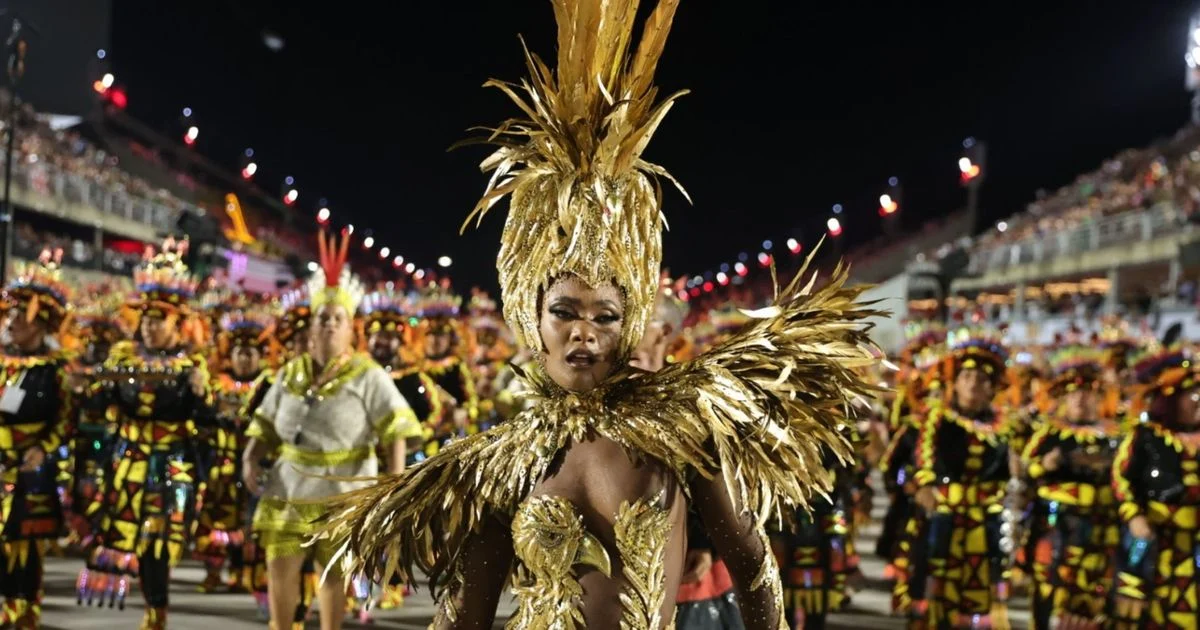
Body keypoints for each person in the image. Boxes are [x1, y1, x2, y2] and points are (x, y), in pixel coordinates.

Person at [315, 1, 881, 625]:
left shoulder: (683, 431)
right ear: (533, 317)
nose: (583, 329)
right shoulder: (504, 461)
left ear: (627, 326)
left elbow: (753, 566)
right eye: (565, 310)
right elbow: (466, 615)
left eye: (605, 316)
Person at [242, 230, 420, 630]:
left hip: (345, 489)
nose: (328, 324)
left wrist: (389, 485)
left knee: (333, 574)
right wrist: (250, 457)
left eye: (337, 319)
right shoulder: (291, 372)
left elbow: (395, 429)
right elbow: (266, 422)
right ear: (311, 325)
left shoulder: (368, 374)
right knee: (280, 563)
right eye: (322, 317)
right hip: (289, 486)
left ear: (349, 329)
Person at [77, 237, 214, 630]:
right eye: (146, 319)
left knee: (159, 540)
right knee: (119, 528)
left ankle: (157, 610)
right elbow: (100, 406)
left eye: (159, 320)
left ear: (178, 323)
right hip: (128, 459)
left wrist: (202, 394)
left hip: (172, 462)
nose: (150, 327)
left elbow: (205, 420)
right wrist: (92, 389)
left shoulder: (193, 364)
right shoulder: (122, 357)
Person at [913, 328, 1016, 629]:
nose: (973, 385)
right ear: (955, 384)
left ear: (992, 389)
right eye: (966, 378)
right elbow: (924, 455)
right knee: (938, 581)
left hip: (986, 519)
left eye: (982, 380)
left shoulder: (1003, 427)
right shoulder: (938, 418)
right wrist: (926, 485)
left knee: (983, 583)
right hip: (945, 513)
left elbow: (1010, 473)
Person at [0, 251, 76, 628]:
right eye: (10, 315)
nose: (11, 322)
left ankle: (26, 605)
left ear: (40, 324)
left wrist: (42, 449)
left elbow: (65, 421)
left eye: (19, 317)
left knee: (26, 544)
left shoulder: (55, 371)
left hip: (31, 469)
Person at [1022, 346, 1120, 628]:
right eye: (1074, 394)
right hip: (1057, 528)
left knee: (1095, 597)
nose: (1081, 400)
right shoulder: (1049, 434)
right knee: (1051, 590)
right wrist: (1044, 465)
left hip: (1102, 534)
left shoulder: (1116, 436)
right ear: (1064, 399)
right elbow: (1023, 474)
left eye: (1089, 394)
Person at [1112, 345, 1200, 629]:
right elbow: (1121, 478)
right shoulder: (1145, 436)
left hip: (1194, 545)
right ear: (1171, 400)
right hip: (1152, 540)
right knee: (1143, 611)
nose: (1199, 402)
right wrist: (1134, 516)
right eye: (1193, 395)